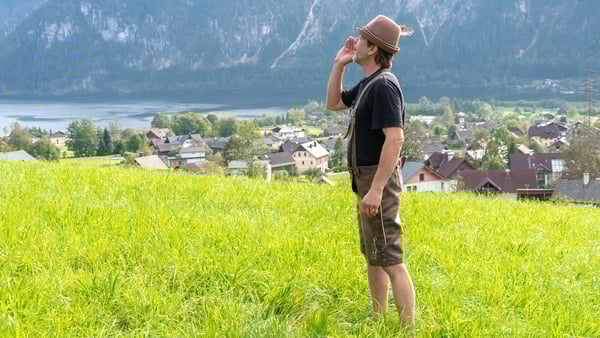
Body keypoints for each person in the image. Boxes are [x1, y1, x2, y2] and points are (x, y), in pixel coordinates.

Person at [325, 15, 416, 328]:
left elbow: (396, 138)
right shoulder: (369, 83)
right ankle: (378, 322)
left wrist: (377, 189)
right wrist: (340, 64)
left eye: (362, 39)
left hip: (378, 180)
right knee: (375, 254)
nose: (356, 42)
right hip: (366, 179)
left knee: (391, 259)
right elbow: (334, 102)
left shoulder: (385, 87)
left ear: (374, 48)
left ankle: (408, 332)